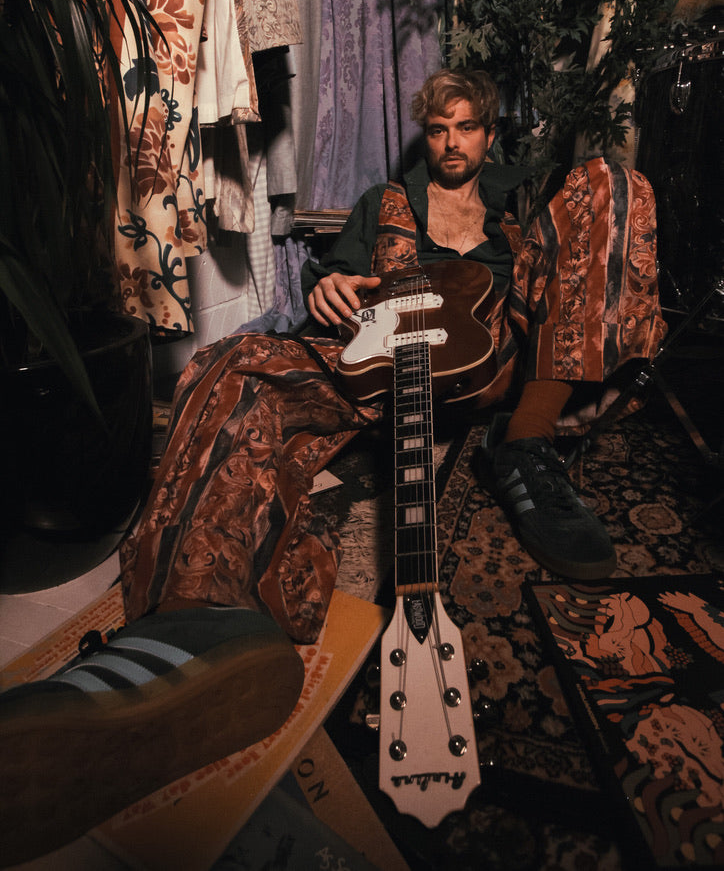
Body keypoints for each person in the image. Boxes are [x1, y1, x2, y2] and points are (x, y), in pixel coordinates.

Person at [0, 69, 666, 865]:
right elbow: (339, 284)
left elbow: (579, 269)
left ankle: (523, 442)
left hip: (494, 370)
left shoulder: (524, 200)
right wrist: (337, 285)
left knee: (612, 178)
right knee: (232, 362)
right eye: (440, 129)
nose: (453, 144)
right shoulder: (387, 201)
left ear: (491, 134)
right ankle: (190, 630)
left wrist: (554, 385)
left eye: (469, 128)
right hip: (388, 369)